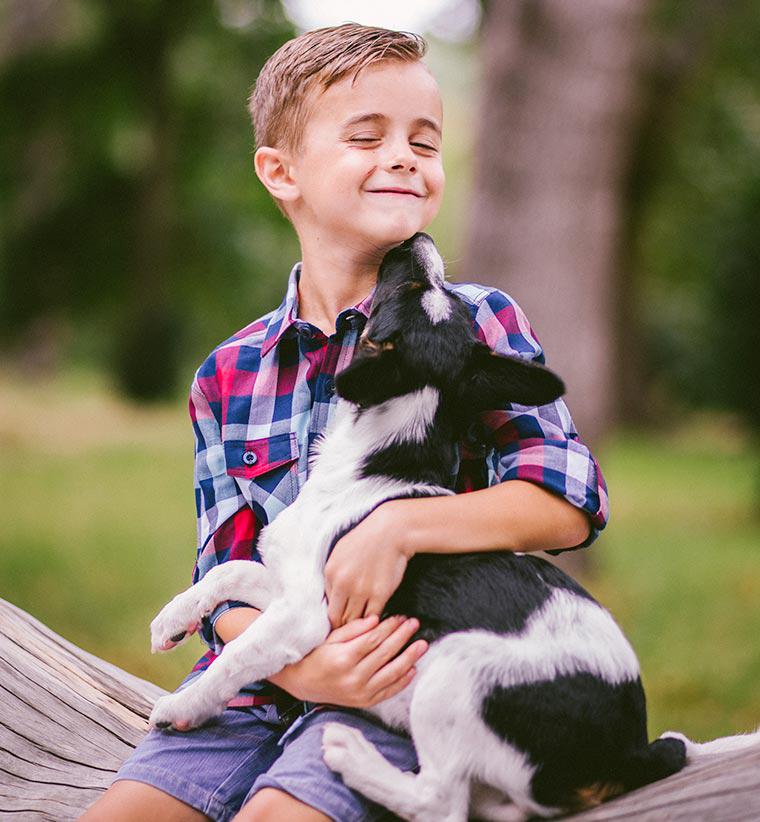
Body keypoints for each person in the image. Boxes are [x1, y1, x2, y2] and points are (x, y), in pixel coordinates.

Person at [81, 22, 608, 822]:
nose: (403, 157)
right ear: (281, 171)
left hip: (400, 689)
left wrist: (397, 530)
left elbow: (567, 501)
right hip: (256, 687)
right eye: (367, 136)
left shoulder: (476, 325)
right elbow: (219, 565)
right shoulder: (229, 371)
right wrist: (299, 670)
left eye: (424, 143)